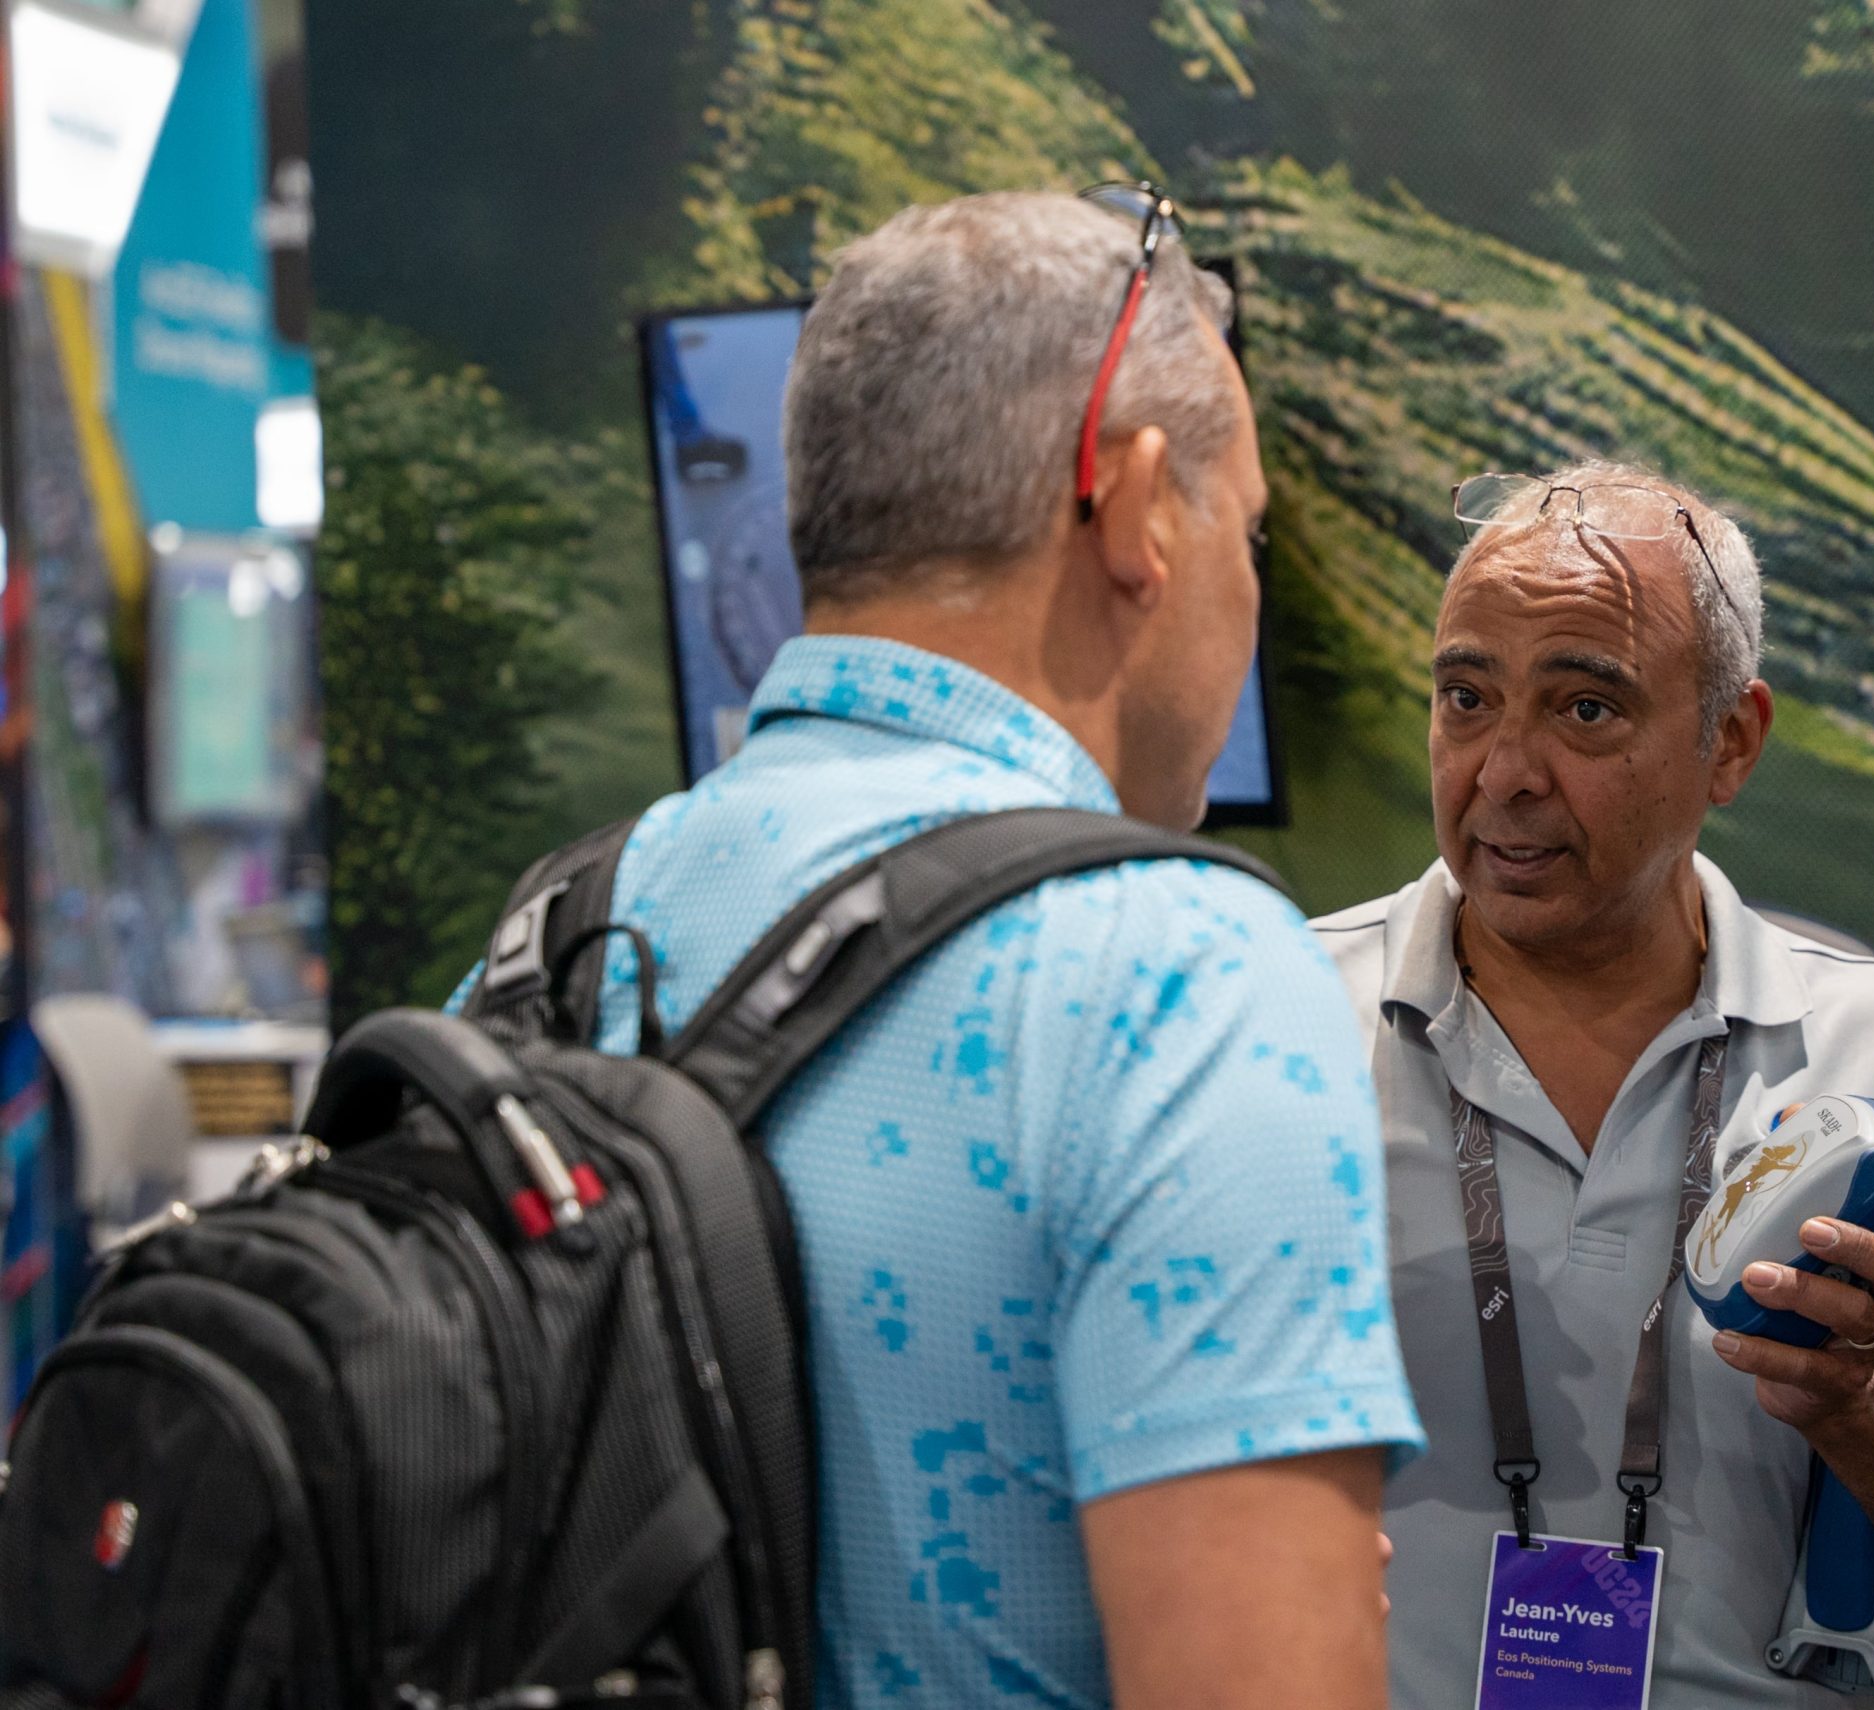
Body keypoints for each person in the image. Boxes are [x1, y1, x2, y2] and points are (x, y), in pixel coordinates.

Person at [565, 190, 1423, 1709]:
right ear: (1139, 503)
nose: (1247, 581)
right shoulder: (1187, 977)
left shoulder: (553, 940)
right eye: (1255, 529)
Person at [1314, 462, 1874, 1707]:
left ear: (1729, 745)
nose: (1504, 770)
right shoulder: (1277, 1018)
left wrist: (1865, 1408)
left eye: (1585, 710)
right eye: (1465, 697)